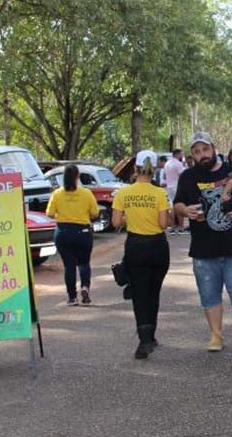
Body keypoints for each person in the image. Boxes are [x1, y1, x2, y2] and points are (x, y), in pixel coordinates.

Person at [174, 132, 232, 355]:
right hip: (204, 249)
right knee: (209, 294)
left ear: (213, 148)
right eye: (196, 151)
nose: (201, 155)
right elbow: (178, 205)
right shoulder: (188, 176)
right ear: (191, 155)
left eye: (204, 150)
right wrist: (186, 211)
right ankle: (216, 335)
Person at [112, 150, 172, 359]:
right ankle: (151, 335)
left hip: (135, 246)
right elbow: (164, 224)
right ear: (154, 169)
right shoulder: (159, 194)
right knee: (153, 292)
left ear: (135, 168)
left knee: (139, 293)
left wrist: (132, 218)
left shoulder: (123, 193)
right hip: (157, 247)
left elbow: (116, 222)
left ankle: (144, 339)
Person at [46, 163, 100, 306]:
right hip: (82, 232)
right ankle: (85, 287)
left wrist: (62, 213)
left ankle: (71, 297)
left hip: (63, 232)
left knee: (69, 266)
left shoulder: (57, 193)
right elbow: (95, 213)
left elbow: (49, 213)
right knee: (83, 262)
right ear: (77, 177)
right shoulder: (86, 193)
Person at [163, 149, 186, 234]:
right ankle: (181, 226)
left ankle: (172, 226)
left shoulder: (167, 164)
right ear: (178, 154)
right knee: (179, 205)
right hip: (177, 186)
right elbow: (182, 176)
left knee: (172, 206)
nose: (182, 156)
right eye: (181, 154)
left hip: (169, 187)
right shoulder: (178, 164)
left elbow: (165, 176)